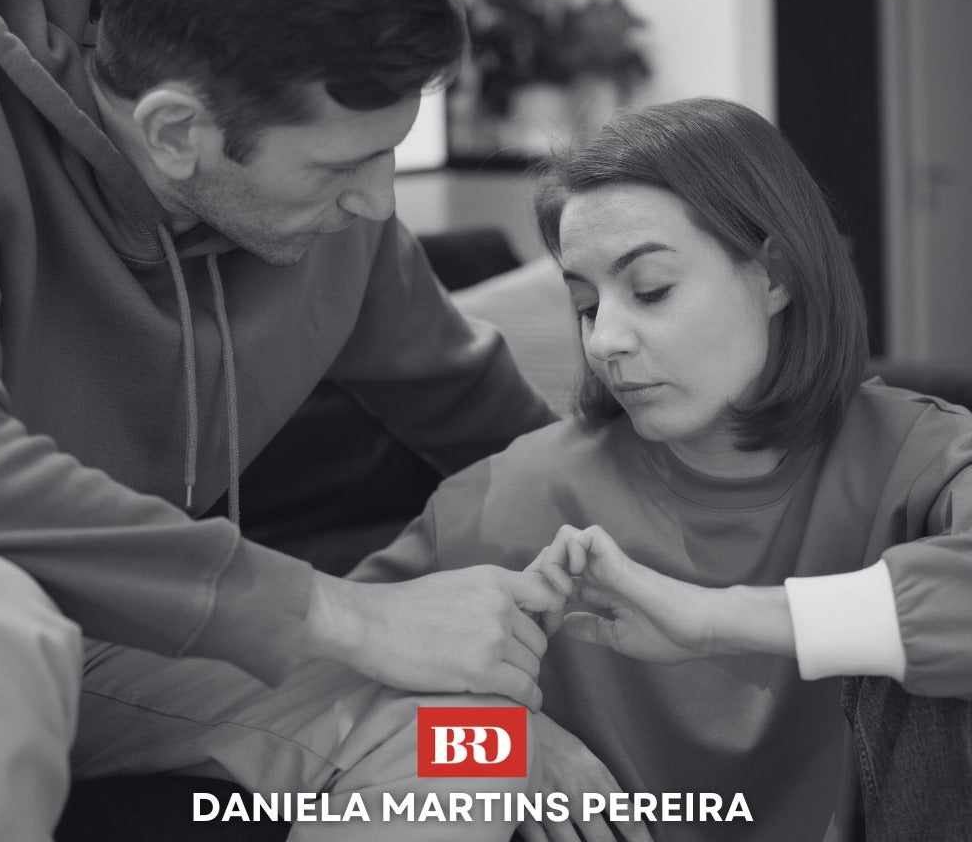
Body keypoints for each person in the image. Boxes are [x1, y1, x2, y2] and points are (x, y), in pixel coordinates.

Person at [0, 0, 564, 840]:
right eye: (343, 165)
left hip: (118, 629)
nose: (379, 203)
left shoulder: (336, 225)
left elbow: (487, 422)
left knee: (474, 744)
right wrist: (340, 614)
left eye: (391, 152)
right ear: (176, 133)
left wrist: (670, 564)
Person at [353, 97, 972, 841]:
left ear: (775, 276)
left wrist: (713, 619)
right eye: (586, 305)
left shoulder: (923, 457)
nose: (604, 341)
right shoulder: (514, 498)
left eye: (651, 290)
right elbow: (296, 677)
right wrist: (511, 746)